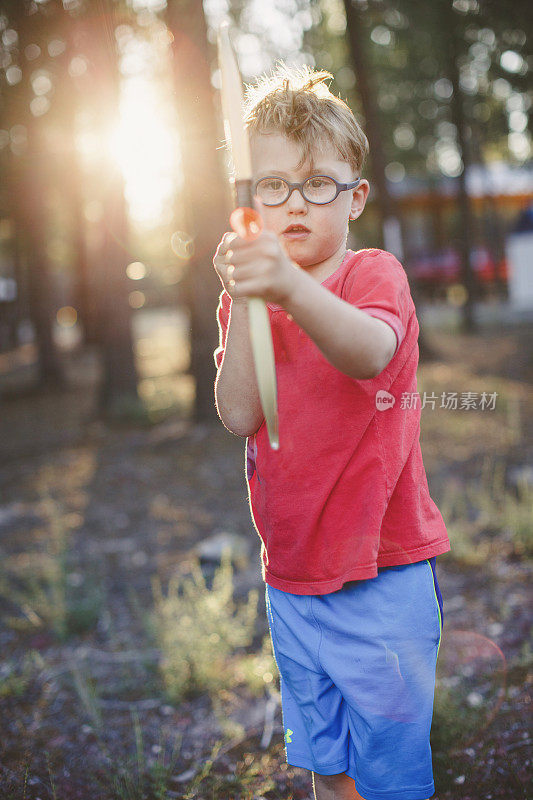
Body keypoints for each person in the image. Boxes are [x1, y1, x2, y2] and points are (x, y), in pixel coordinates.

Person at [212, 64, 450, 800]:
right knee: (326, 766)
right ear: (250, 201)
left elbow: (367, 353)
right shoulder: (250, 299)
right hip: (292, 577)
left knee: (388, 774)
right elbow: (238, 415)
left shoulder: (371, 276)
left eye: (318, 184)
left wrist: (287, 287)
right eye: (271, 185)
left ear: (354, 198)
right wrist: (249, 299)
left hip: (381, 575)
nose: (293, 203)